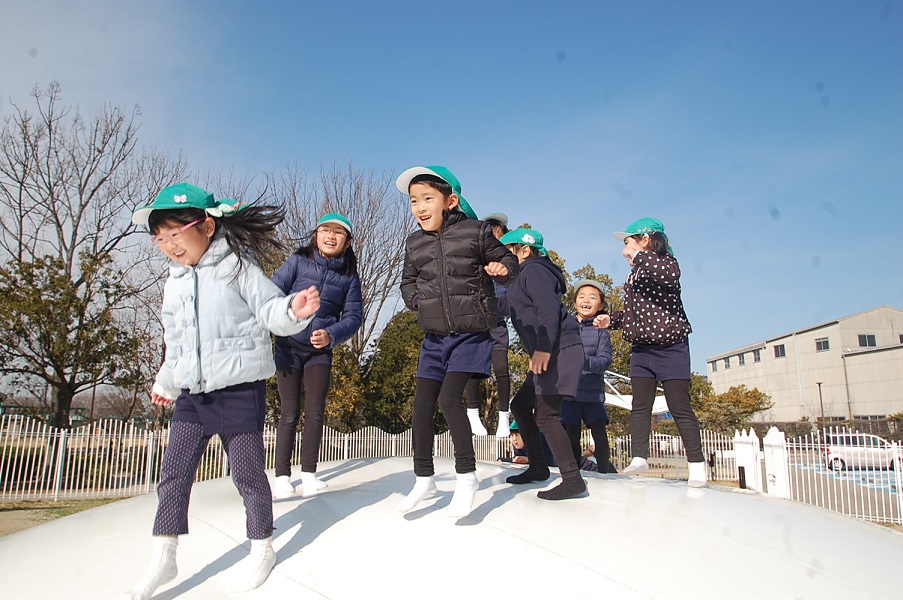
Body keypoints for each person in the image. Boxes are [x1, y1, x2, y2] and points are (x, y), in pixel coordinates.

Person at [123, 183, 321, 600]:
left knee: (247, 476)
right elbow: (175, 340)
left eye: (176, 233)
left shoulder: (237, 267)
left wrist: (293, 311)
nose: (168, 245)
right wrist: (166, 381)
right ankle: (165, 554)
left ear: (207, 226)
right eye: (160, 237)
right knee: (173, 475)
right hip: (193, 396)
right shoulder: (174, 283)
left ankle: (261, 545)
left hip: (237, 391)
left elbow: (270, 309)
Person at [396, 166, 519, 518]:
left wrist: (503, 269)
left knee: (450, 400)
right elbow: (408, 283)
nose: (419, 207)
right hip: (434, 339)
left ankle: (467, 477)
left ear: (450, 201)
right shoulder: (414, 242)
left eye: (427, 199)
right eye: (414, 201)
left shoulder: (475, 232)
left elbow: (509, 260)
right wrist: (420, 303)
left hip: (470, 335)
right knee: (421, 408)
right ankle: (424, 478)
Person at [594, 217, 706, 487]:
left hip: (671, 347)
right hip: (642, 349)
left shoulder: (666, 263)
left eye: (627, 243)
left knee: (679, 406)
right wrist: (613, 319)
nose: (624, 252)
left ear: (645, 240)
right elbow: (637, 312)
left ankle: (698, 466)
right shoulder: (635, 274)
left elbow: (669, 276)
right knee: (639, 405)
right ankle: (639, 457)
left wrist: (640, 255)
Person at [270, 212, 362, 499]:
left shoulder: (349, 277)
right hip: (287, 347)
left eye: (338, 233)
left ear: (347, 243)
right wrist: (289, 314)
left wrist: (332, 334)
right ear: (316, 235)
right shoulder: (297, 262)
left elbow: (353, 316)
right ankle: (282, 475)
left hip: (319, 353)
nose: (331, 236)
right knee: (289, 412)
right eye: (325, 230)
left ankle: (309, 472)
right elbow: (271, 291)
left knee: (315, 412)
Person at [500, 228, 587, 500]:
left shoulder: (535, 270)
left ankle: (573, 480)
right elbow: (503, 307)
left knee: (546, 415)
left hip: (557, 349)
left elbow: (547, 308)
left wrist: (542, 348)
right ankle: (538, 467)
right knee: (520, 405)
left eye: (507, 252)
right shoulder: (520, 279)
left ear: (524, 251)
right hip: (549, 349)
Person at [464, 212, 513, 437]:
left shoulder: (507, 269)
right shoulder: (475, 262)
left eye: (498, 237)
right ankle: (472, 412)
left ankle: (504, 415)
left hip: (497, 324)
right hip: (475, 324)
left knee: (501, 369)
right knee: (473, 369)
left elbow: (510, 303)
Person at [565, 279, 615, 473]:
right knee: (571, 436)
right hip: (569, 393)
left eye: (593, 297)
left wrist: (584, 361)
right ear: (575, 301)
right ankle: (573, 475)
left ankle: (605, 473)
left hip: (593, 394)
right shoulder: (565, 325)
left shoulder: (601, 332)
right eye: (582, 296)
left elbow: (605, 361)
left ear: (600, 305)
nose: (586, 300)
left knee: (600, 435)